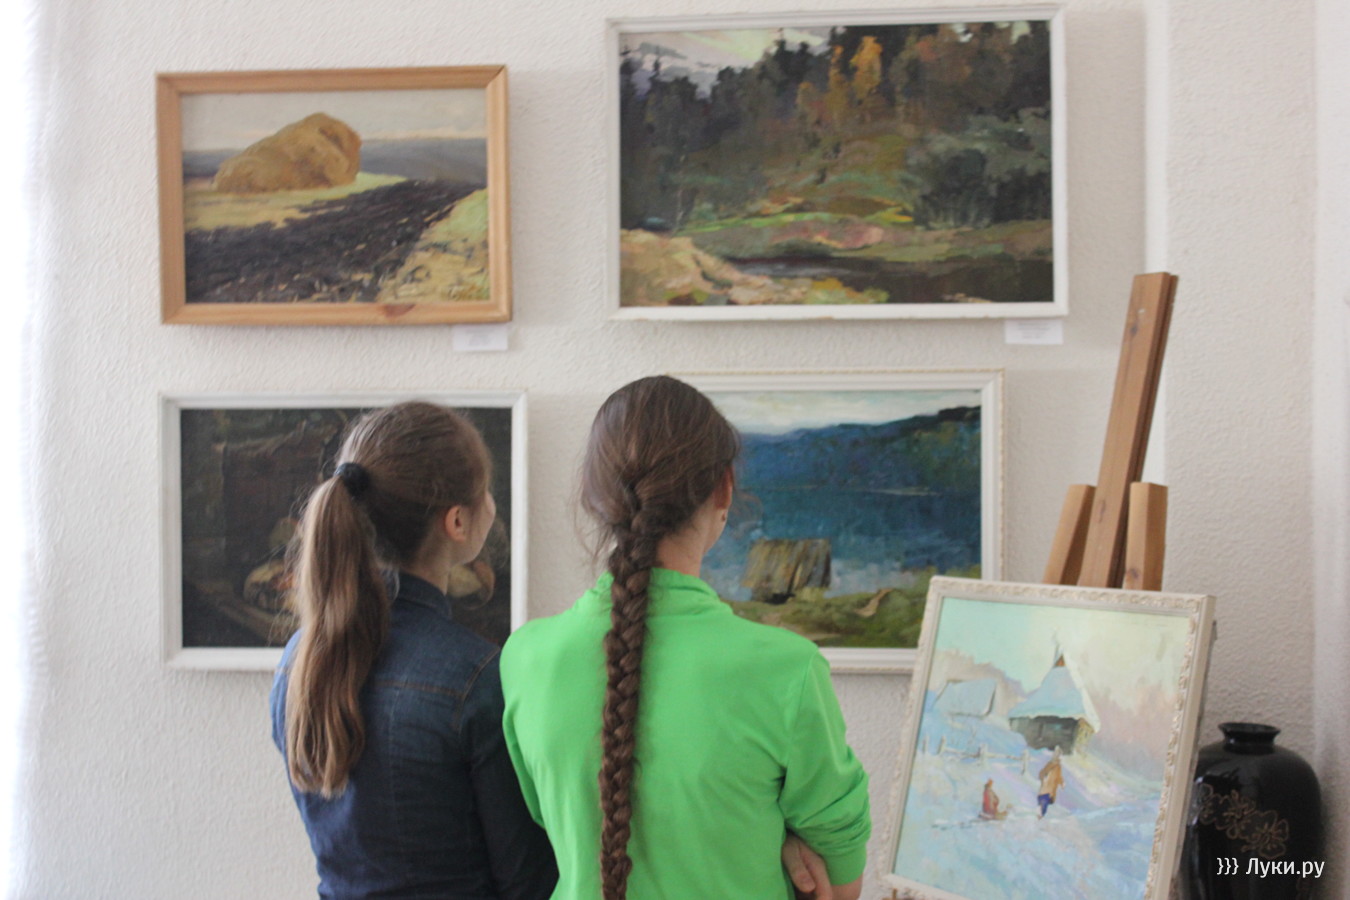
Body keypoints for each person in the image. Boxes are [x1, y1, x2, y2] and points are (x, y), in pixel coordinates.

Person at [500, 376, 871, 900]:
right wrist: (783, 841)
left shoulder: (525, 658)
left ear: (593, 493)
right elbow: (838, 887)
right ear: (724, 488)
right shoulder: (787, 669)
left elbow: (559, 825)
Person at [269, 401, 557, 900]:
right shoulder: (476, 679)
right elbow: (526, 881)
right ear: (457, 522)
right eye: (485, 492)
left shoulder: (300, 658)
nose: (491, 503)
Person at [1037, 747, 1065, 818]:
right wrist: (1042, 776)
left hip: (1050, 789)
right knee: (1042, 801)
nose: (1056, 756)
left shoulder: (1058, 766)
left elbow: (1059, 776)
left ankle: (1040, 815)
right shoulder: (1050, 764)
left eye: (1058, 755)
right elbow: (1043, 772)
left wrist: (1062, 783)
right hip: (1046, 787)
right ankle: (1040, 815)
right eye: (1055, 754)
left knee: (1044, 802)